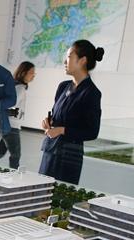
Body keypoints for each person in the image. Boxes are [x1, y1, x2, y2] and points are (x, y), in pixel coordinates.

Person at [39, 41, 103, 184]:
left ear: (82, 60)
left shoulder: (91, 93)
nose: (64, 61)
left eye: (69, 57)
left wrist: (62, 130)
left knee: (60, 194)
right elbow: (57, 116)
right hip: (50, 151)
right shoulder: (63, 86)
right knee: (40, 190)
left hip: (69, 156)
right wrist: (49, 122)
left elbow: (92, 132)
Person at [0, 61, 35, 169]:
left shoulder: (15, 86)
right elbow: (9, 106)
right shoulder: (20, 88)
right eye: (31, 72)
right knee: (15, 155)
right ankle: (14, 175)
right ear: (23, 73)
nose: (33, 75)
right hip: (12, 126)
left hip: (7, 125)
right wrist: (17, 114)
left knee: (0, 152)